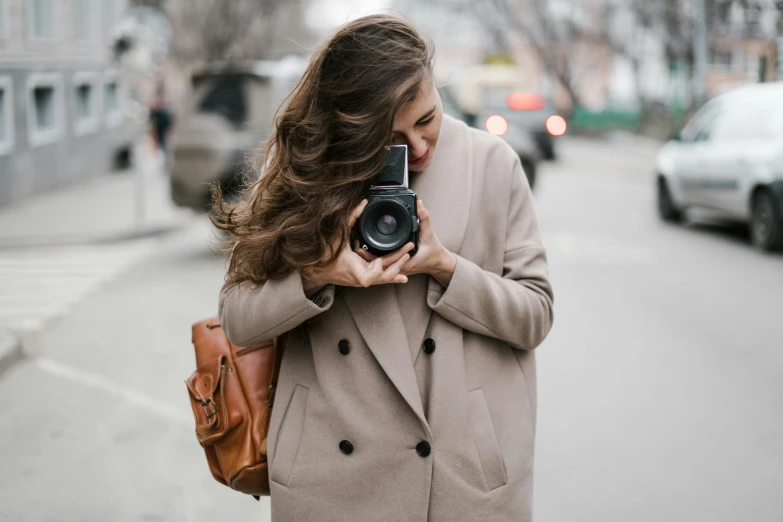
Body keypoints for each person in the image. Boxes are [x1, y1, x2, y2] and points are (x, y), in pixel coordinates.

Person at [212, 14, 554, 522]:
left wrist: (444, 266)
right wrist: (317, 275)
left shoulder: (492, 164)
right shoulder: (304, 168)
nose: (417, 149)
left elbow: (536, 314)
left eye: (427, 119)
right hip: (331, 476)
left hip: (460, 475)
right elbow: (237, 319)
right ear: (347, 126)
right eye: (387, 137)